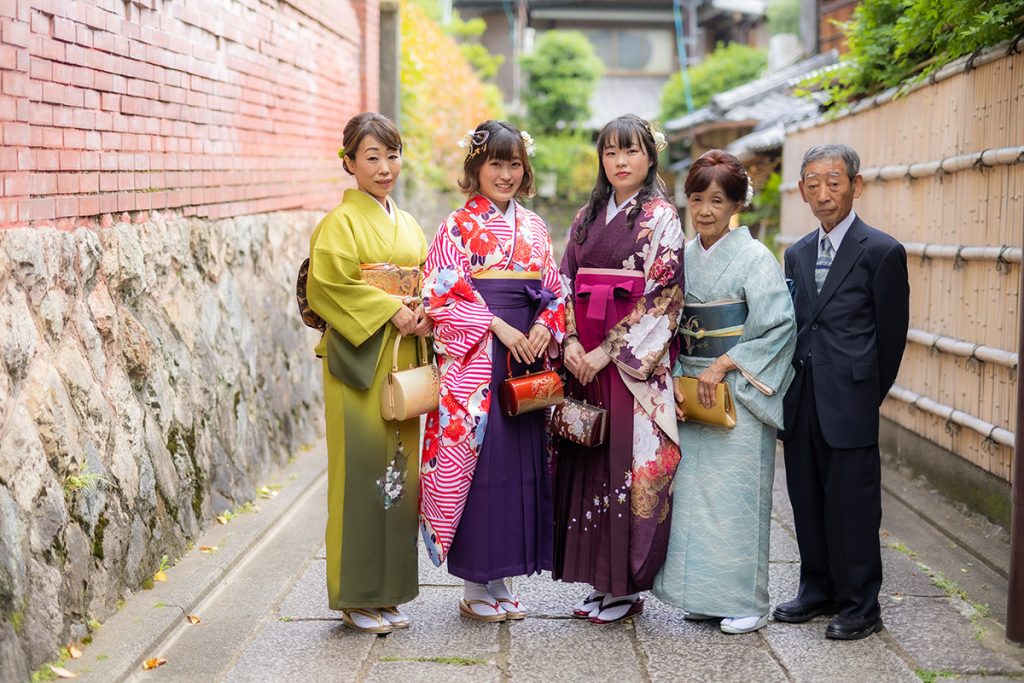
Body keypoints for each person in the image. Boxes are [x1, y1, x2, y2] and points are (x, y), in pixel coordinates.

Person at [419, 120, 565, 622]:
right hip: (480, 359)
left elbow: (554, 287)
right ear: (476, 168)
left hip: (526, 356)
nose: (505, 174)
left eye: (514, 164)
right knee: (478, 469)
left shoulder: (537, 227)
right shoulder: (456, 227)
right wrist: (499, 327)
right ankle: (474, 584)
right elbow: (442, 294)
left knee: (517, 471)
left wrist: (546, 323)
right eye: (495, 163)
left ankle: (500, 576)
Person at [651, 150, 796, 634]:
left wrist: (725, 363)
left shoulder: (753, 257)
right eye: (697, 199)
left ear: (737, 204)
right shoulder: (684, 255)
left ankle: (746, 600)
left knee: (736, 498)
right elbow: (669, 319)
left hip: (734, 383)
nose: (706, 210)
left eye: (718, 200)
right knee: (693, 497)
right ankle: (706, 597)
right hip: (691, 385)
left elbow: (778, 325)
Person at [773, 143, 909, 640]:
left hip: (850, 398)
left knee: (852, 504)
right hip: (802, 394)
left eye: (834, 181)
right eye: (813, 183)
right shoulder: (798, 252)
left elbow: (891, 337)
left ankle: (860, 604)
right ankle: (817, 588)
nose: (823, 193)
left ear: (856, 184)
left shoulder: (881, 251)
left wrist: (865, 390)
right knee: (806, 496)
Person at [552, 114, 684, 625]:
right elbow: (562, 283)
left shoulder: (661, 218)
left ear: (650, 158)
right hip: (583, 360)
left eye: (630, 152)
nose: (619, 162)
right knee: (587, 463)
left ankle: (624, 588)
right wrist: (566, 340)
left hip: (627, 368)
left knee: (627, 471)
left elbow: (663, 298)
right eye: (610, 153)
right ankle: (597, 582)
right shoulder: (587, 217)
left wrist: (604, 353)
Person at [305, 112, 431, 634]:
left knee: (399, 476)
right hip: (361, 362)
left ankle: (388, 591)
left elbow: (427, 275)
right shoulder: (339, 224)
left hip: (402, 357)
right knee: (361, 474)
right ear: (349, 163)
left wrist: (424, 307)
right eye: (371, 157)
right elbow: (327, 287)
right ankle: (356, 594)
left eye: (392, 155)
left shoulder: (408, 222)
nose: (384, 168)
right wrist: (390, 308)